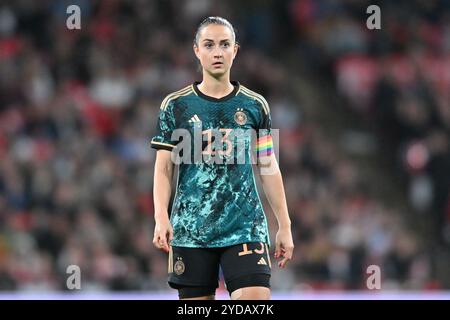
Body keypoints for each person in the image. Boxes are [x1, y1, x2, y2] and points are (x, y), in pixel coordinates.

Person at [151, 16, 294, 300]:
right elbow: (164, 168)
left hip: (245, 226)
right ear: (196, 50)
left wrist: (285, 226)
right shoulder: (175, 105)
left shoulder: (255, 105)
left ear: (235, 50)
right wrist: (160, 216)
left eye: (224, 44)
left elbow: (268, 167)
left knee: (255, 299)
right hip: (192, 228)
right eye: (209, 44)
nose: (217, 52)